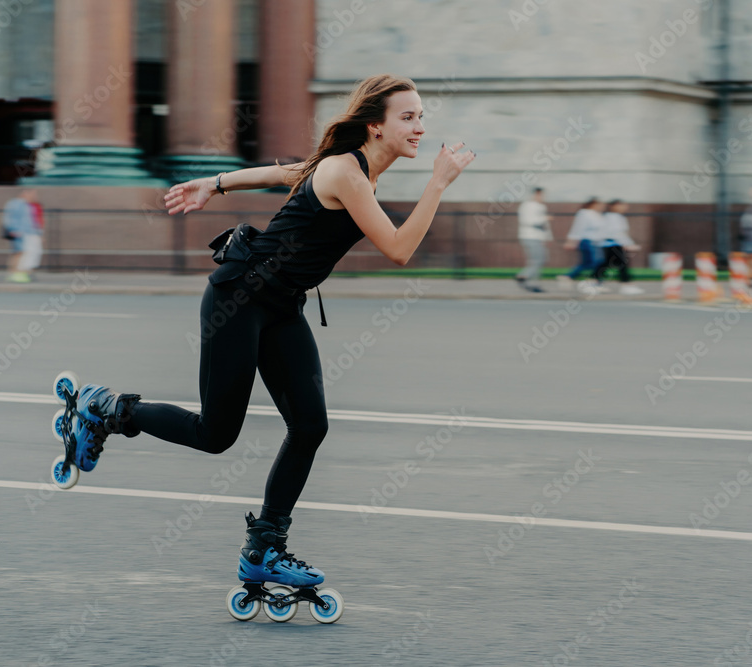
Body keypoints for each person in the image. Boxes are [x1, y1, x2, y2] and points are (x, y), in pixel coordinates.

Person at [58, 75, 475, 598]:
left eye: (420, 116)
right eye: (408, 117)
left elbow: (287, 172)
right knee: (216, 435)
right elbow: (397, 249)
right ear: (376, 126)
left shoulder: (352, 168)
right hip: (240, 300)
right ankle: (105, 408)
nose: (420, 126)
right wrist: (438, 183)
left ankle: (264, 550)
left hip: (280, 306)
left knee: (310, 425)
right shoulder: (347, 172)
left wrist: (216, 183)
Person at [593, 200, 643, 295]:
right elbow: (618, 233)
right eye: (622, 205)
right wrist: (628, 243)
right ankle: (626, 284)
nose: (625, 207)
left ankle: (596, 282)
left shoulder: (611, 216)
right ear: (614, 206)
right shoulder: (613, 217)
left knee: (608, 264)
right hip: (613, 243)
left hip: (611, 243)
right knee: (621, 263)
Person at [557, 198, 606, 291]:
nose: (601, 207)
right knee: (596, 262)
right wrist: (571, 241)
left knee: (590, 263)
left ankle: (568, 276)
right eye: (599, 204)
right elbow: (578, 228)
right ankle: (594, 282)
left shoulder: (598, 215)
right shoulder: (585, 213)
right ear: (592, 204)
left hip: (597, 242)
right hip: (588, 241)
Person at [515, 187, 551, 293]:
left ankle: (528, 279)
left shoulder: (541, 206)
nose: (542, 197)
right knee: (537, 260)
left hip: (538, 237)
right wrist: (544, 218)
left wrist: (547, 238)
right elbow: (527, 221)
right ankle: (525, 278)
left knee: (539, 260)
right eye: (540, 195)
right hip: (530, 236)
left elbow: (545, 226)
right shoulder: (527, 206)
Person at [2, 189, 39, 283]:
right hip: (19, 233)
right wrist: (14, 230)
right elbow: (10, 218)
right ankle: (14, 273)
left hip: (26, 233)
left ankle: (19, 273)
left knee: (21, 253)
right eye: (32, 194)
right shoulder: (16, 203)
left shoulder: (26, 204)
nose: (34, 196)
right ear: (25, 193)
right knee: (18, 253)